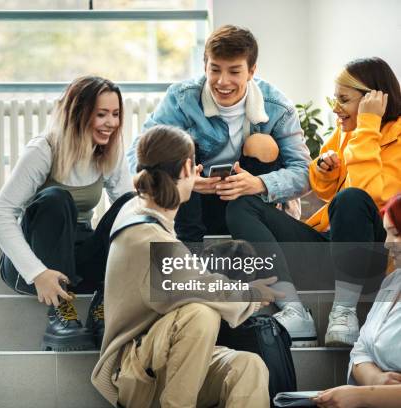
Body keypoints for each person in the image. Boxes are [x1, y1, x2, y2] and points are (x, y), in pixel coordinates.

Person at [92, 125, 284, 408]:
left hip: (169, 360)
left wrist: (188, 183)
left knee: (248, 366)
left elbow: (182, 272)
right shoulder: (146, 236)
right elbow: (200, 286)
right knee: (199, 313)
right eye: (193, 165)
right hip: (135, 372)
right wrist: (253, 295)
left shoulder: (140, 206)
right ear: (185, 166)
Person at [226, 57, 401, 347]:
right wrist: (323, 169)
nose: (335, 108)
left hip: (373, 260)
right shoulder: (347, 134)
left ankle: (344, 312)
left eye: (344, 99)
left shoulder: (376, 134)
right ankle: (294, 310)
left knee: (352, 199)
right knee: (243, 205)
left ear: (374, 99)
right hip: (332, 248)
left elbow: (369, 198)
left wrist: (368, 125)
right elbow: (323, 191)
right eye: (335, 98)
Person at [127, 24, 311, 243]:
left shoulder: (277, 107)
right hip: (192, 205)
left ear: (252, 71)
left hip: (249, 203)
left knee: (262, 143)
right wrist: (183, 181)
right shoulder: (181, 98)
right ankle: (190, 248)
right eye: (215, 69)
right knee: (181, 145)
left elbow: (304, 172)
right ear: (205, 65)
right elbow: (139, 155)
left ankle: (256, 243)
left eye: (234, 71)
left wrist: (260, 183)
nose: (223, 81)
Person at [0, 76, 134, 351]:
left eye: (115, 114)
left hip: (79, 260)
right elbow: (0, 215)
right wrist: (38, 273)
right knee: (57, 198)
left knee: (130, 205)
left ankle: (103, 307)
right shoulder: (44, 149)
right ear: (78, 114)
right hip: (36, 263)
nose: (111, 123)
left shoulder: (108, 152)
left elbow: (132, 214)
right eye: (101, 114)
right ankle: (60, 312)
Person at [312, 193, 401, 408]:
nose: (388, 244)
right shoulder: (392, 282)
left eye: (396, 234)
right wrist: (375, 380)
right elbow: (360, 350)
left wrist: (362, 395)